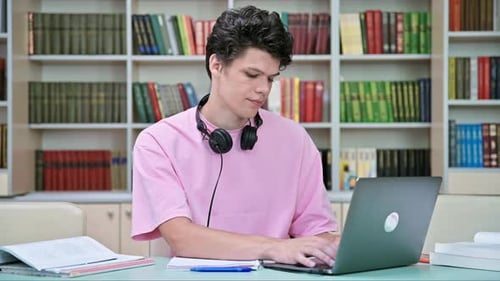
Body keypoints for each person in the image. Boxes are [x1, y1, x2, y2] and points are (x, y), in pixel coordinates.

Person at [131, 5, 340, 268]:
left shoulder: (295, 139)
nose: (263, 89)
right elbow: (182, 238)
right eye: (252, 75)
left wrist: (333, 243)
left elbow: (317, 229)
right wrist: (277, 248)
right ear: (216, 64)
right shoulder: (158, 142)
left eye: (270, 79)